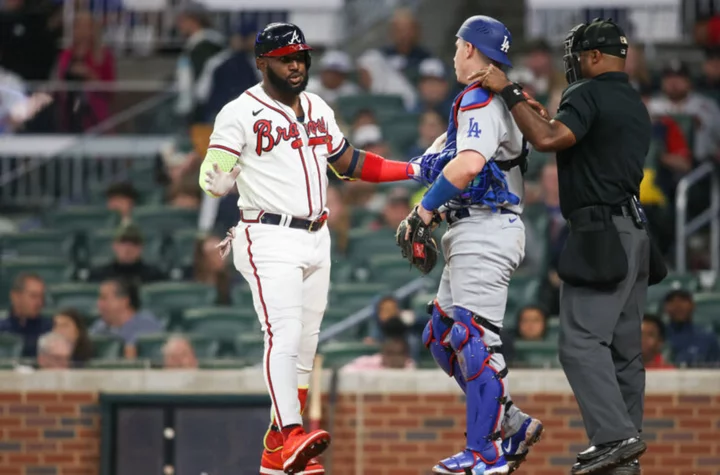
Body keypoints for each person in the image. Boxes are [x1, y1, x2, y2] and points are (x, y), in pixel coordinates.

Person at [199, 22, 422, 475]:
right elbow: (213, 175)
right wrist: (217, 172)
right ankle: (292, 432)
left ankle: (275, 454)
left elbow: (349, 162)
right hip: (268, 234)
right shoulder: (238, 112)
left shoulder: (317, 106)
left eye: (301, 56)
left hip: (316, 236)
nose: (296, 64)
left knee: (305, 345)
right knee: (282, 333)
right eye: (286, 57)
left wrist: (413, 168)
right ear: (264, 63)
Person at [475, 18, 656, 475]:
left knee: (579, 343)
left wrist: (509, 91)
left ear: (594, 57)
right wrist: (535, 110)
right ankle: (625, 453)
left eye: (577, 56)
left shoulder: (586, 93)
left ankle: (614, 438)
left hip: (600, 232)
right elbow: (565, 132)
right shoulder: (633, 101)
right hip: (634, 233)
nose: (572, 65)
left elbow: (550, 137)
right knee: (624, 351)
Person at [405, 16, 543, 475]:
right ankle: (512, 423)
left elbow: (465, 166)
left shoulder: (481, 98)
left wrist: (423, 211)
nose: (453, 54)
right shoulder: (491, 97)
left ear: (469, 49)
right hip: (474, 228)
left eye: (457, 46)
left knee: (471, 340)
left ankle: (485, 453)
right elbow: (434, 166)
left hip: (487, 228)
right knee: (441, 336)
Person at [56, 11, 116, 132]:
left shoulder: (103, 55)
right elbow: (61, 83)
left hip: (96, 115)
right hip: (70, 113)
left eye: (86, 27)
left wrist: (90, 75)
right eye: (78, 26)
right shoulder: (66, 55)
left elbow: (111, 89)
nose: (82, 31)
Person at [91, 278, 163, 359]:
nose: (99, 304)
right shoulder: (99, 327)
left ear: (124, 301)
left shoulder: (147, 324)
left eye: (104, 298)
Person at [86, 223, 166, 284]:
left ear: (141, 248)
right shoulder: (99, 276)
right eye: (123, 243)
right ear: (114, 246)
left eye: (134, 243)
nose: (128, 249)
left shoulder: (155, 276)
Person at [662, 289, 720, 367]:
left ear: (693, 305)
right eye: (672, 301)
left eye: (683, 301)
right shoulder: (657, 336)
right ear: (665, 308)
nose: (678, 306)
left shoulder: (707, 338)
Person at [0, 273, 51, 357]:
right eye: (33, 296)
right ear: (15, 297)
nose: (39, 303)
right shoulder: (2, 329)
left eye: (41, 297)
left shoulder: (49, 329)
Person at [192, 234, 232, 305]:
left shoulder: (232, 285)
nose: (221, 257)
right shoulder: (190, 281)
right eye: (214, 253)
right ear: (202, 259)